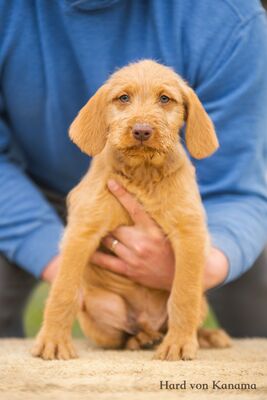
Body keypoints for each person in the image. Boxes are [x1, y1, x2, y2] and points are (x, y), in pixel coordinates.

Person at [0, 0, 267, 338]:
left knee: (253, 298)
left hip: (189, 192)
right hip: (33, 185)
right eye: (124, 99)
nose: (142, 122)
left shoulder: (228, 18)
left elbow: (237, 186)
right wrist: (78, 270)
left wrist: (203, 266)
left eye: (165, 101)